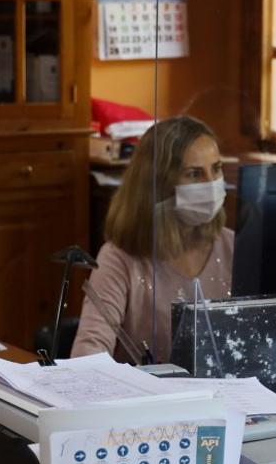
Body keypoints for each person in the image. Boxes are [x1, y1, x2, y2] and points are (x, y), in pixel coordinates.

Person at [72, 116, 233, 361]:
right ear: (159, 185)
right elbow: (87, 356)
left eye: (217, 168)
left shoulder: (234, 247)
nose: (211, 184)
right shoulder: (119, 258)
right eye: (194, 173)